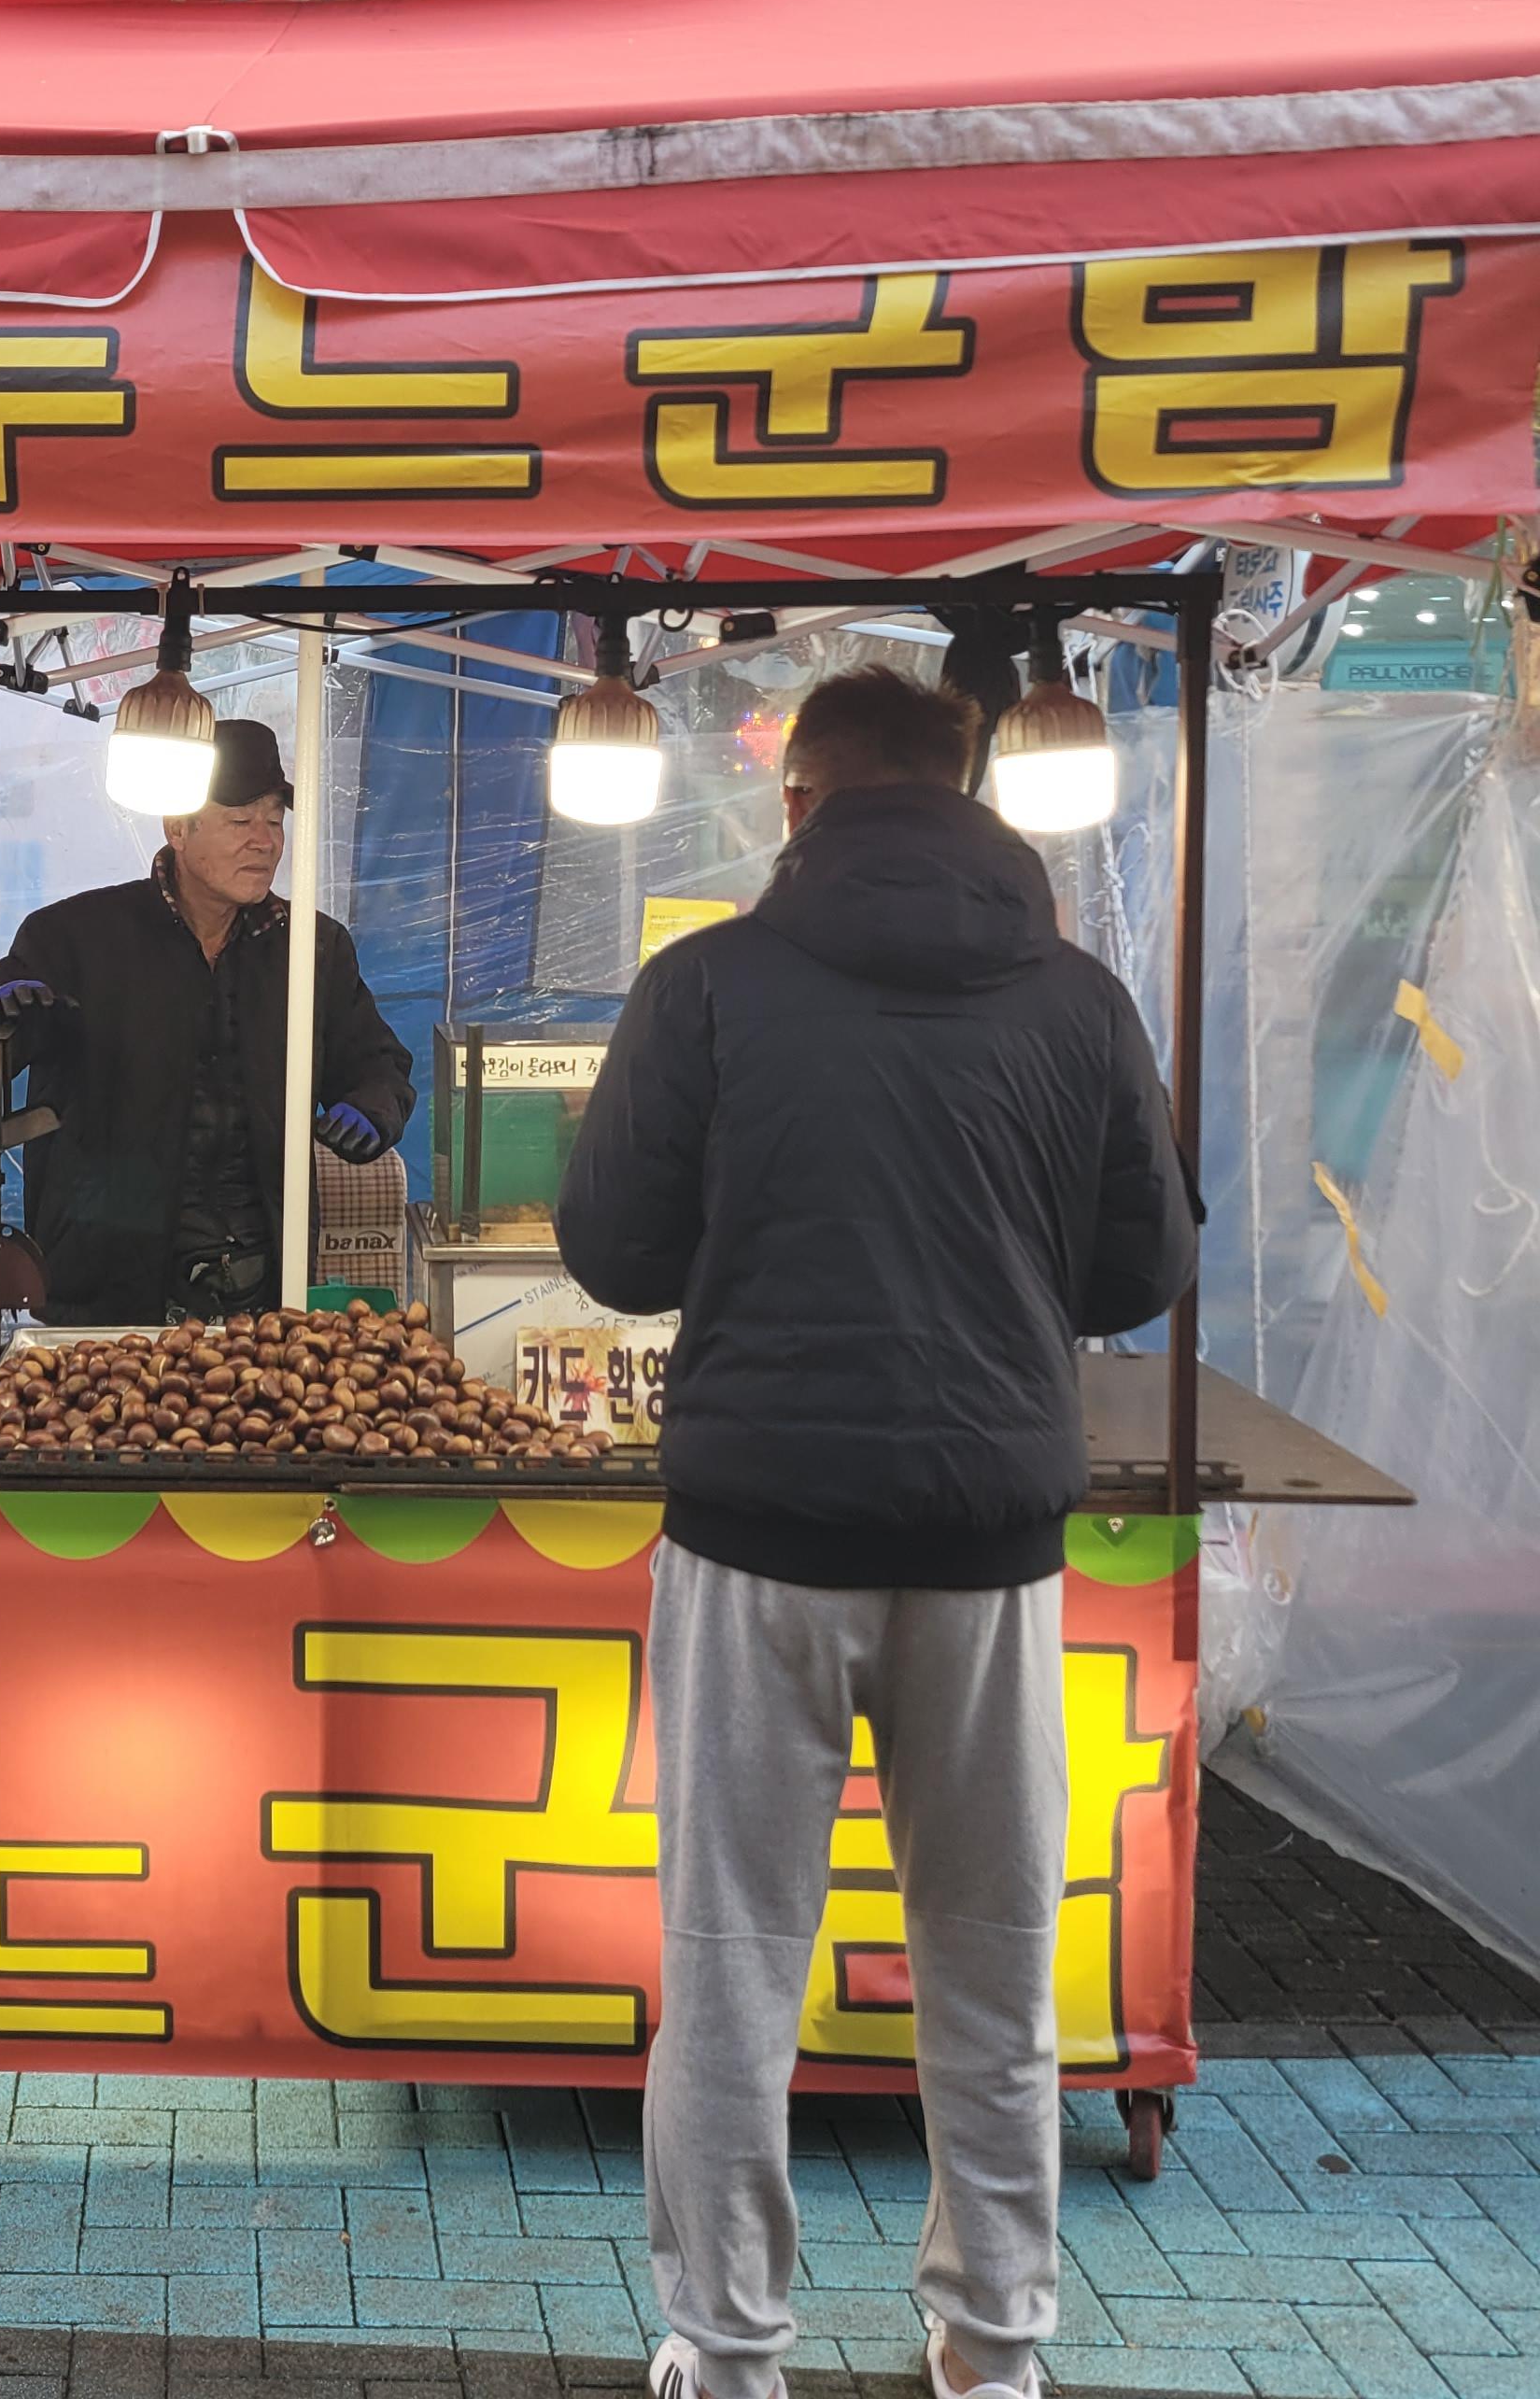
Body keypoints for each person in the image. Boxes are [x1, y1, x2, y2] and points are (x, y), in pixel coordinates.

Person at [555, 667, 1199, 2399]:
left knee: (731, 1960)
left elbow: (612, 1250)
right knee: (991, 1962)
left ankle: (726, 2350)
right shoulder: (1078, 998)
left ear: (796, 801)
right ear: (971, 791)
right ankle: (991, 2347)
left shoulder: (704, 983)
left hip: (754, 1528)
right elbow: (1141, 1270)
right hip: (988, 1537)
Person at [0, 719, 412, 1323]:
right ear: (178, 828)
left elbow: (376, 1063)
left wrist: (373, 1106)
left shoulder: (312, 949)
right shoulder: (74, 939)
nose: (265, 842)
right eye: (240, 821)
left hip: (267, 1297)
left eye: (274, 821)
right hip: (106, 1298)